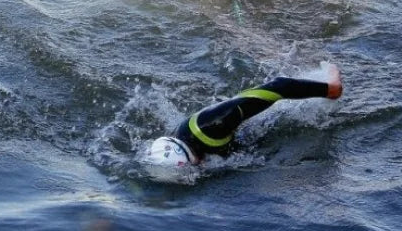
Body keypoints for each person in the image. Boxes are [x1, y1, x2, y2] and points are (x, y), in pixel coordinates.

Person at [146, 64, 342, 167]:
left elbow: (280, 86)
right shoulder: (173, 151)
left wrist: (331, 88)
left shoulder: (215, 123)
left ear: (192, 159)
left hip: (239, 124)